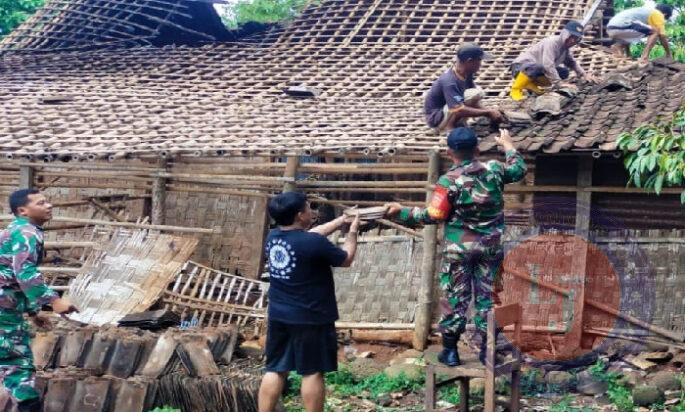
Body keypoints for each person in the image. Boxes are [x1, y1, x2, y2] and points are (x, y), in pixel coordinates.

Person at [385, 128, 526, 367]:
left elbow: (434, 215)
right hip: (490, 249)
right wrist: (508, 145)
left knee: (455, 297)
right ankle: (488, 351)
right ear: (477, 149)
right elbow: (518, 169)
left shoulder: (448, 181)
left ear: (450, 152)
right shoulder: (494, 170)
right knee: (488, 298)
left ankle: (450, 352)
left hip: (458, 250)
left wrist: (403, 212)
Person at [258, 192, 360, 412]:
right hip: (311, 317)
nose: (311, 212)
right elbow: (347, 258)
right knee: (312, 371)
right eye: (307, 208)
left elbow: (312, 235)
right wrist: (352, 231)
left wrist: (341, 220)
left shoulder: (273, 237)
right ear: (299, 215)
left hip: (279, 314)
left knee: (275, 368)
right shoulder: (313, 243)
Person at [0, 189, 78, 412]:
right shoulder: (26, 232)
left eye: (48, 201)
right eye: (41, 202)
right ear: (22, 210)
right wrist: (54, 301)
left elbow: (10, 275)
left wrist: (33, 312)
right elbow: (23, 274)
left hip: (7, 306)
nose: (49, 205)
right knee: (17, 364)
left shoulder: (20, 230)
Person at [424, 43, 505, 134]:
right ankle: (449, 128)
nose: (480, 64)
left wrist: (490, 111)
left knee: (475, 93)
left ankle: (458, 123)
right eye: (479, 60)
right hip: (437, 118)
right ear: (469, 61)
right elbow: (458, 109)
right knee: (471, 96)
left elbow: (473, 102)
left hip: (450, 109)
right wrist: (487, 112)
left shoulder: (467, 73)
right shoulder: (449, 81)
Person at [510, 20, 598, 100]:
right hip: (520, 68)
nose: (572, 41)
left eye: (576, 39)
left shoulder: (565, 50)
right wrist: (559, 84)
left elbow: (572, 63)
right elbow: (548, 65)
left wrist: (584, 75)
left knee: (564, 72)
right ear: (565, 34)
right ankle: (516, 89)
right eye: (571, 36)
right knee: (538, 66)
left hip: (535, 71)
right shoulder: (552, 43)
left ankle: (531, 85)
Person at [607, 4, 673, 63]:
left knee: (643, 30)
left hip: (611, 29)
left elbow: (633, 32)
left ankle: (622, 50)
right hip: (622, 26)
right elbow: (662, 36)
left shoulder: (643, 12)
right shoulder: (658, 14)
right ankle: (645, 57)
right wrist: (668, 54)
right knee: (655, 31)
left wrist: (628, 55)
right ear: (665, 14)